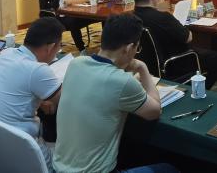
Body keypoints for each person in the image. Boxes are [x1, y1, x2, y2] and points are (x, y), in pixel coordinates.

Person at [53, 14, 174, 173]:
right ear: (129, 48)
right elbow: (155, 111)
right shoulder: (122, 82)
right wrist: (143, 68)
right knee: (169, 168)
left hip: (58, 168)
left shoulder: (76, 63)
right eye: (137, 48)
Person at [0, 17, 64, 173]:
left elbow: (15, 89)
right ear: (51, 47)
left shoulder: (7, 54)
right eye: (60, 46)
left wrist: (40, 101)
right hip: (5, 162)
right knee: (65, 161)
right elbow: (65, 102)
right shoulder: (37, 70)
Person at [131, 0, 217, 88]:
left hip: (148, 65)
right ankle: (198, 89)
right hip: (175, 62)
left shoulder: (131, 18)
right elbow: (188, 37)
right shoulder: (163, 17)